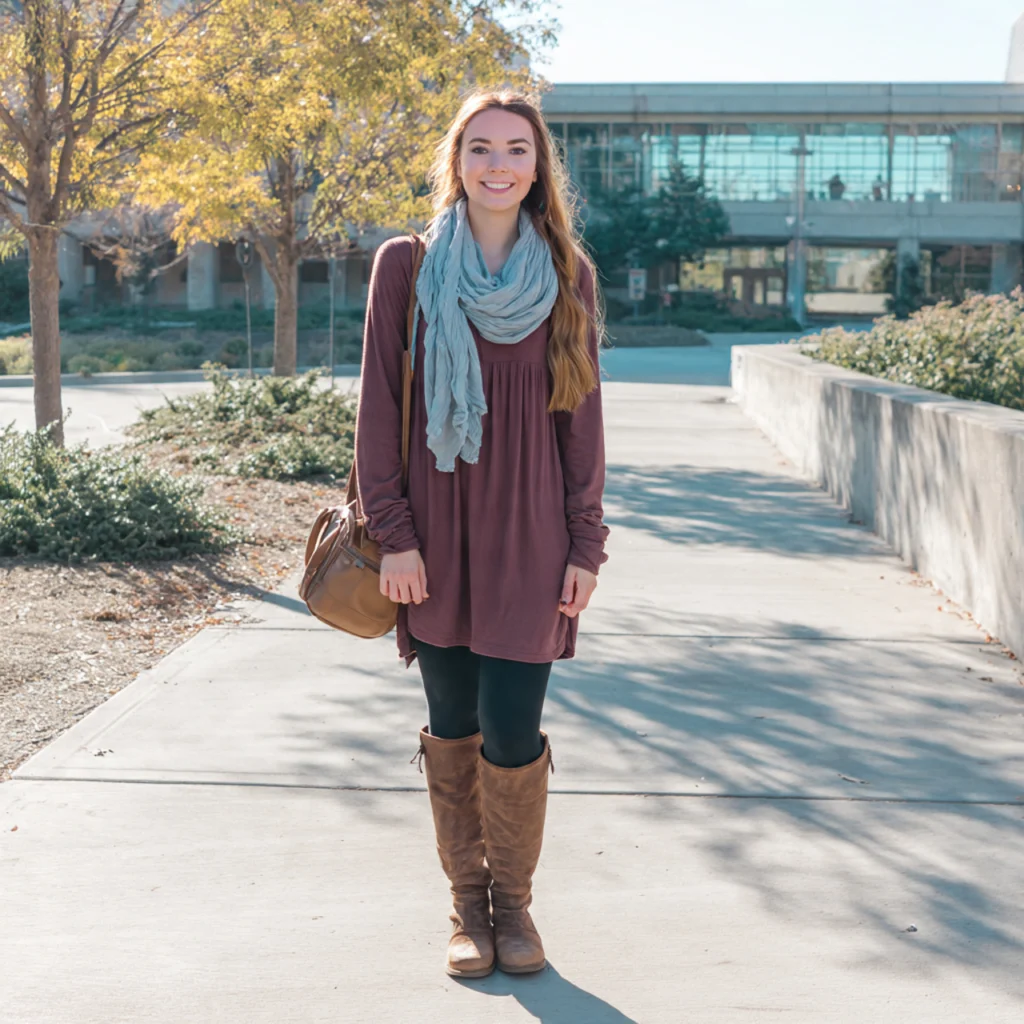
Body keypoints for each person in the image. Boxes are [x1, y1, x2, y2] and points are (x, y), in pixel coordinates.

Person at [354, 90, 611, 979]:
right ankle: (466, 904)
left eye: (516, 150)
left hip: (532, 532)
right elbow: (378, 410)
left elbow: (579, 419)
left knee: (513, 729)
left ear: (539, 168)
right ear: (455, 161)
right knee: (450, 720)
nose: (498, 165)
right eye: (481, 149)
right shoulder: (406, 265)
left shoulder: (567, 272)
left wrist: (586, 545)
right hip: (433, 530)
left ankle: (516, 909)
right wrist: (393, 534)